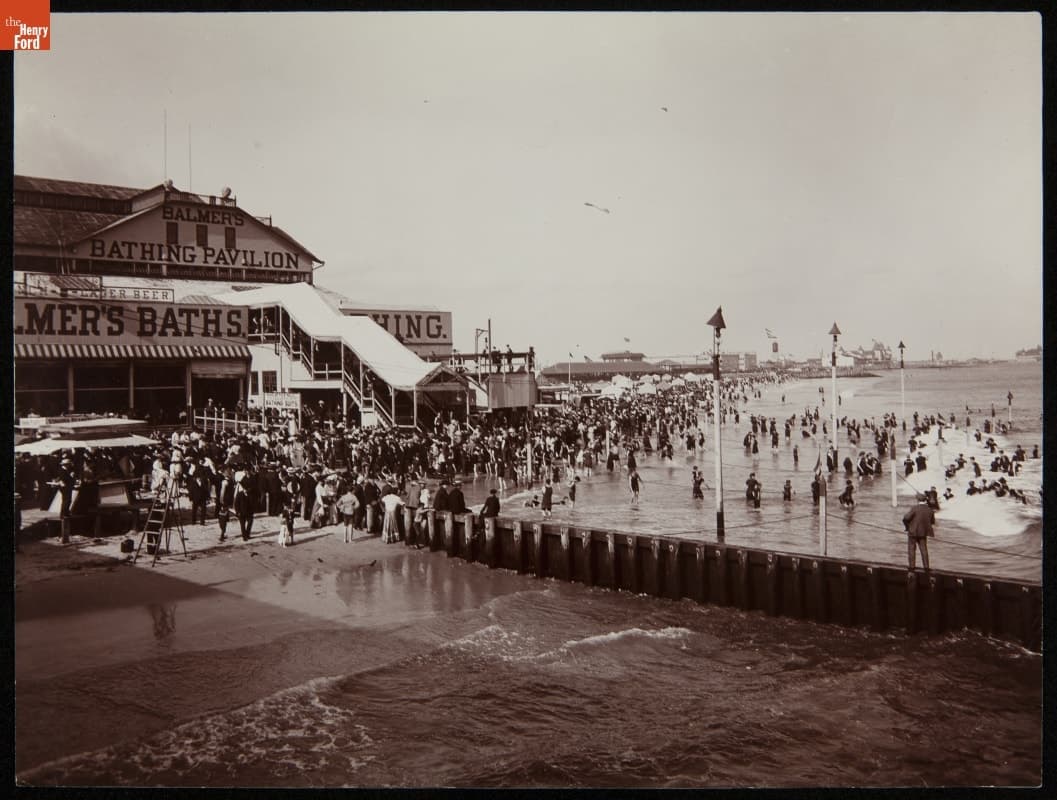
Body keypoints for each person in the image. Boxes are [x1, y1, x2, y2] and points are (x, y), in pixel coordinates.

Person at [902, 493, 935, 571]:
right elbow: (932, 522)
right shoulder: (930, 510)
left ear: (918, 500)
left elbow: (906, 518)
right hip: (923, 533)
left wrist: (907, 527)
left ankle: (911, 567)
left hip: (913, 532)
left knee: (911, 549)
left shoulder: (915, 508)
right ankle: (926, 567)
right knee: (924, 549)